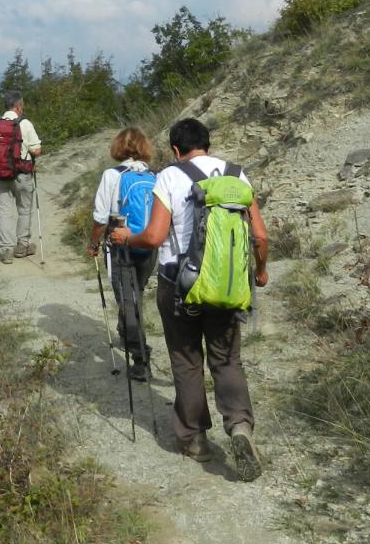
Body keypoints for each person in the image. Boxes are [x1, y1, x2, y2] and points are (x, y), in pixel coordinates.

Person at [109, 117, 269, 480]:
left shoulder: (170, 175)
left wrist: (124, 240)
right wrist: (260, 272)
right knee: (227, 361)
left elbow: (152, 237)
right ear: (208, 145)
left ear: (177, 149)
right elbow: (259, 235)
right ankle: (240, 425)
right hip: (227, 286)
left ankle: (195, 439)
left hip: (179, 286)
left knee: (186, 361)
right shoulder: (236, 175)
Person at [88, 128, 157, 381]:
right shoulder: (154, 175)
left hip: (122, 245)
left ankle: (140, 359)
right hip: (149, 245)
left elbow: (99, 216)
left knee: (128, 302)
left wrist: (93, 243)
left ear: (118, 147)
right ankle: (126, 331)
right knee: (134, 294)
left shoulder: (112, 175)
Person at [0, 90, 43, 264]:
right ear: (18, 107)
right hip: (22, 174)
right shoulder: (25, 124)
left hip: (0, 175)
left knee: (4, 211)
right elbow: (36, 150)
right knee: (24, 209)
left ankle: (6, 250)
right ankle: (22, 246)